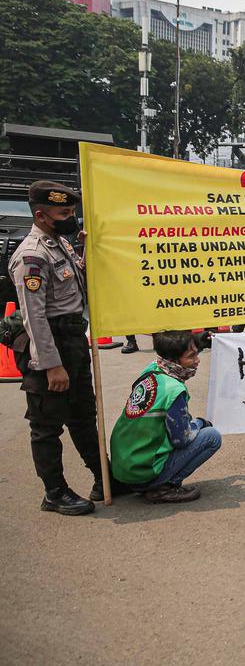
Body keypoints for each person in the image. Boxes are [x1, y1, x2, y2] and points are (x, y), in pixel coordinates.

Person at [8, 181, 104, 515]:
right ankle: (54, 492)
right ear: (41, 215)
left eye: (72, 212)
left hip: (73, 340)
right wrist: (51, 365)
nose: (70, 218)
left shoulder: (60, 243)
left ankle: (103, 478)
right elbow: (34, 318)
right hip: (51, 344)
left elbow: (78, 285)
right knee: (47, 425)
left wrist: (87, 252)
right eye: (64, 213)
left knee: (83, 415)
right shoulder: (32, 255)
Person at [109, 331, 222, 503]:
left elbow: (174, 350)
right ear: (174, 360)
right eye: (191, 356)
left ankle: (151, 482)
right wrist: (199, 423)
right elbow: (182, 440)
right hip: (143, 474)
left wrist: (198, 342)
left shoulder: (153, 369)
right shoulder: (174, 391)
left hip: (124, 468)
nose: (197, 361)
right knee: (211, 436)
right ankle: (164, 487)